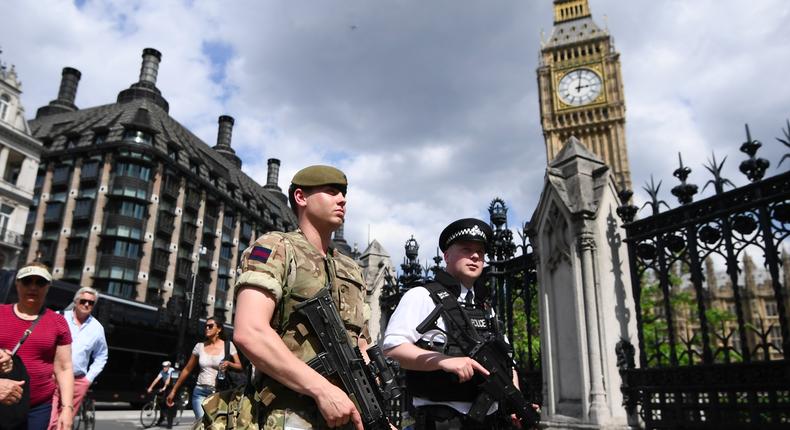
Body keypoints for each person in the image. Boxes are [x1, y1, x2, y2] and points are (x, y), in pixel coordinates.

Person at [233, 165, 370, 430]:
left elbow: (362, 345)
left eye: (343, 194)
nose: (342, 199)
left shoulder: (351, 269)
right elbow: (250, 331)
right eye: (331, 191)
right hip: (288, 415)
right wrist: (322, 390)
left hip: (351, 415)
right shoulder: (276, 248)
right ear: (300, 197)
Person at [383, 218, 529, 429]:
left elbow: (506, 361)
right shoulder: (422, 296)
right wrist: (443, 360)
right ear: (447, 256)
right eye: (466, 249)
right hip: (444, 421)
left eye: (480, 251)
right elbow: (393, 348)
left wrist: (516, 403)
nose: (476, 256)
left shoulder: (486, 308)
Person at [0, 262, 73, 430]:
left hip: (37, 408)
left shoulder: (58, 323)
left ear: (48, 287)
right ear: (17, 284)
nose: (33, 287)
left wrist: (67, 409)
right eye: (27, 281)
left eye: (39, 282)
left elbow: (64, 368)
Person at [48, 287, 108, 429]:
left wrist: (88, 379)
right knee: (49, 421)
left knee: (65, 424)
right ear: (76, 301)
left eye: (91, 303)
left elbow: (102, 355)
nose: (87, 305)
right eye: (83, 301)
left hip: (78, 382)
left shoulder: (97, 328)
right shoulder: (58, 317)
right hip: (53, 378)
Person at [166, 316, 242, 420]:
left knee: (215, 425)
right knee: (202, 423)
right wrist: (174, 390)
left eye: (210, 326)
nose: (207, 328)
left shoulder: (228, 345)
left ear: (219, 329)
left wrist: (229, 363)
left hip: (218, 392)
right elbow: (187, 369)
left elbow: (239, 366)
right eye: (205, 326)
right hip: (199, 391)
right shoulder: (199, 346)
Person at [147, 361, 174, 428]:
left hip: (173, 387)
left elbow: (168, 380)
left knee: (168, 403)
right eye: (163, 366)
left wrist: (164, 387)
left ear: (168, 367)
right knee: (162, 402)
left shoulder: (172, 370)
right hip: (166, 387)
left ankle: (169, 424)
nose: (164, 368)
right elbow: (156, 379)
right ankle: (161, 418)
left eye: (165, 367)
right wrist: (150, 387)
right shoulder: (162, 371)